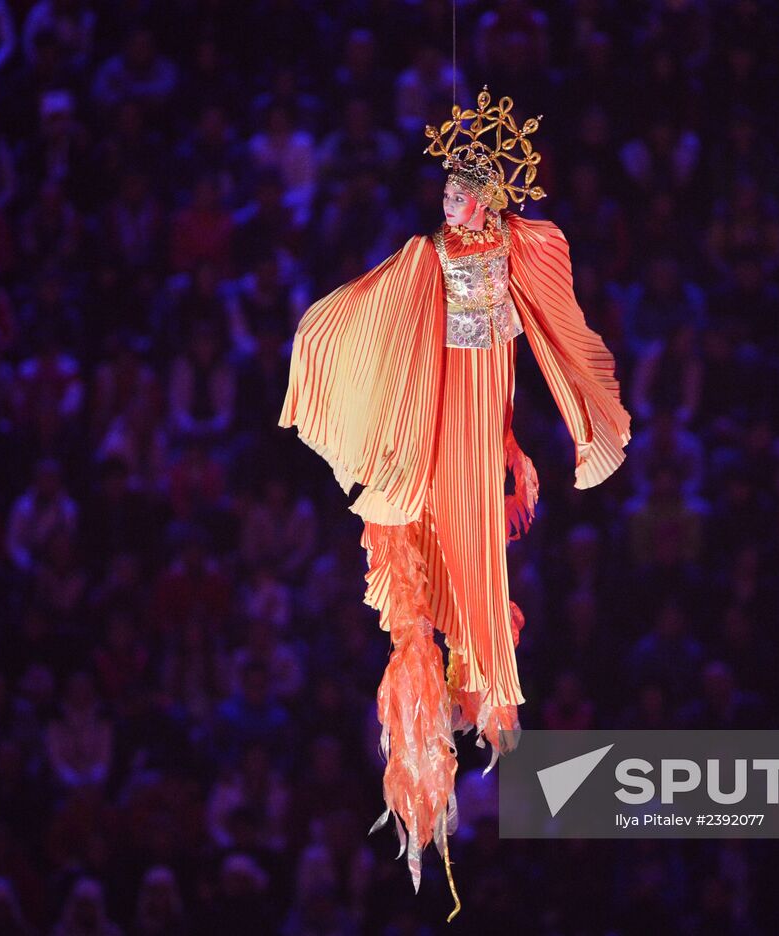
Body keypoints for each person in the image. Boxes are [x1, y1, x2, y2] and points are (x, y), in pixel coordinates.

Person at [278, 87, 631, 904]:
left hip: (471, 425)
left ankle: (471, 692)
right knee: (414, 555)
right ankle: (432, 709)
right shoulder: (434, 255)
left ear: (488, 192)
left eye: (456, 186)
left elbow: (499, 364)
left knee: (467, 571)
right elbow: (411, 327)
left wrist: (509, 442)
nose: (445, 197)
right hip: (436, 415)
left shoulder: (502, 251)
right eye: (444, 187)